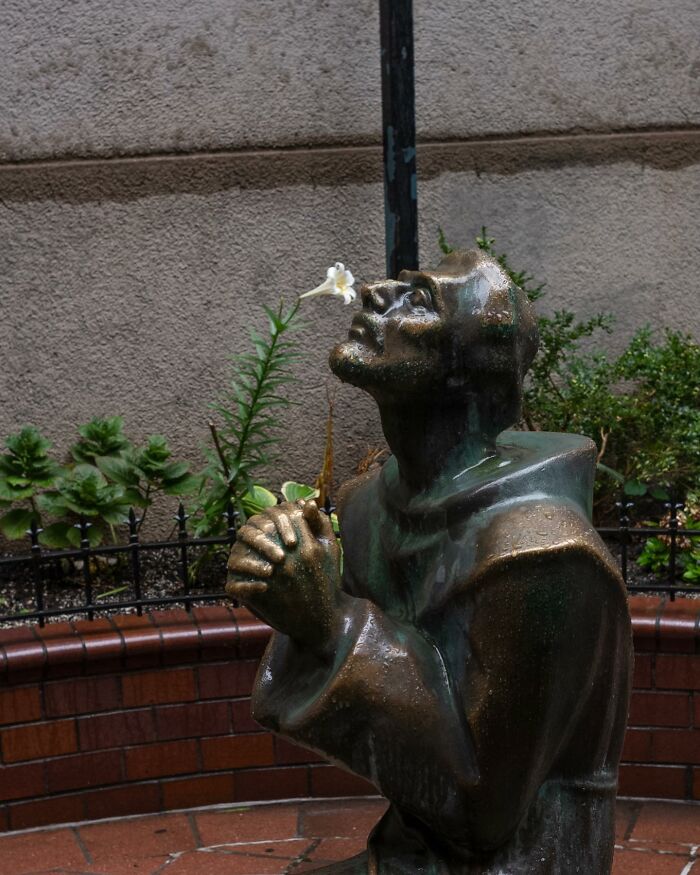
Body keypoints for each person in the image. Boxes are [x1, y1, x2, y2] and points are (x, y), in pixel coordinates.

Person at [227, 249, 632, 874]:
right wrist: (293, 582)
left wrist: (331, 626)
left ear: (469, 372)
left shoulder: (540, 554)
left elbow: (482, 810)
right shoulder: (368, 506)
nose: (373, 292)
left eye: (419, 300)